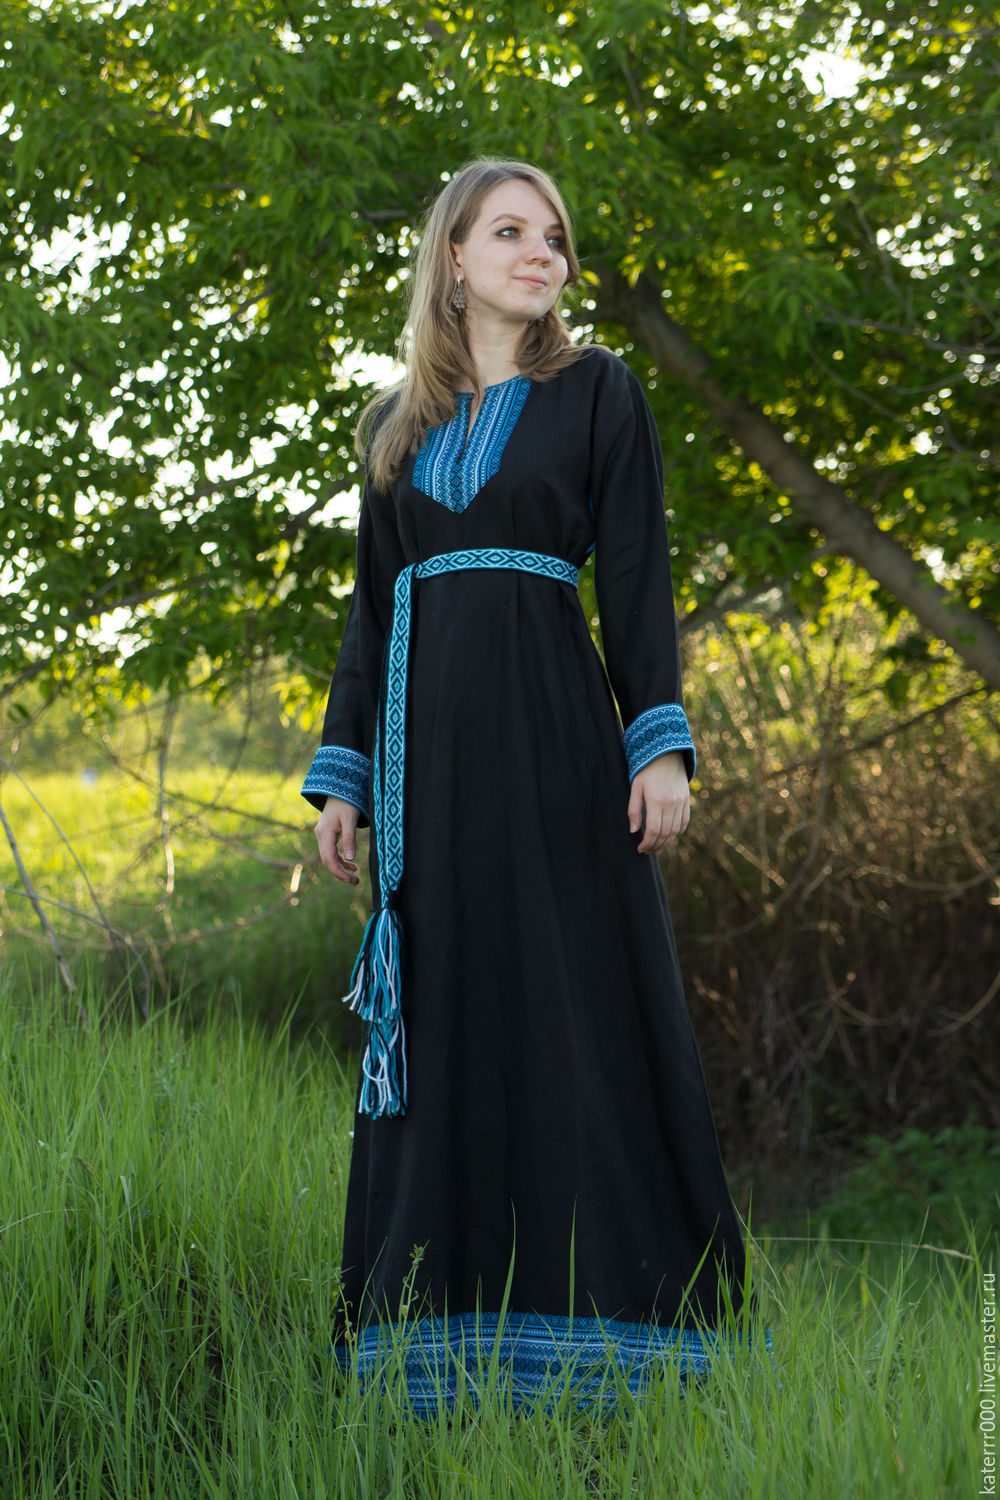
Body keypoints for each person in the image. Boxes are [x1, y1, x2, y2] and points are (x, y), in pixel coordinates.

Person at [302, 158, 756, 1412]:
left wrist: (654, 742)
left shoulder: (597, 393)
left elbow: (639, 578)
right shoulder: (393, 425)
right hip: (427, 779)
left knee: (574, 1000)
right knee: (446, 1012)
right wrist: (345, 781)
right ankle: (432, 1343)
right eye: (510, 232)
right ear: (453, 257)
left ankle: (623, 1328)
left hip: (558, 753)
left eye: (552, 237)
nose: (538, 254)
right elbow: (371, 612)